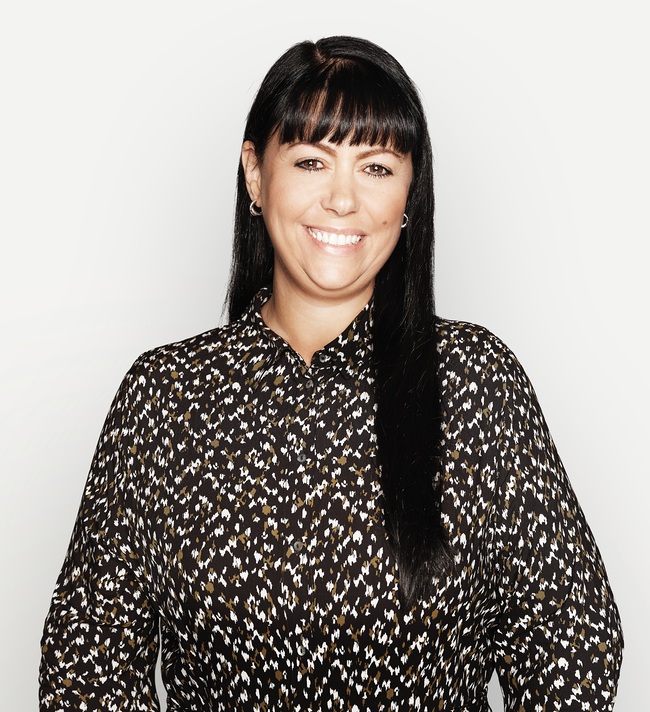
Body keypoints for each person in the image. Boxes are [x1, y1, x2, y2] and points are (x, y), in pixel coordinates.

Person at [39, 36, 623, 711]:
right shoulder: (165, 396)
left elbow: (572, 640)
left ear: (410, 194)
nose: (343, 199)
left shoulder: (475, 381)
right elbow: (87, 664)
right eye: (312, 161)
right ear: (256, 175)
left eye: (376, 167)